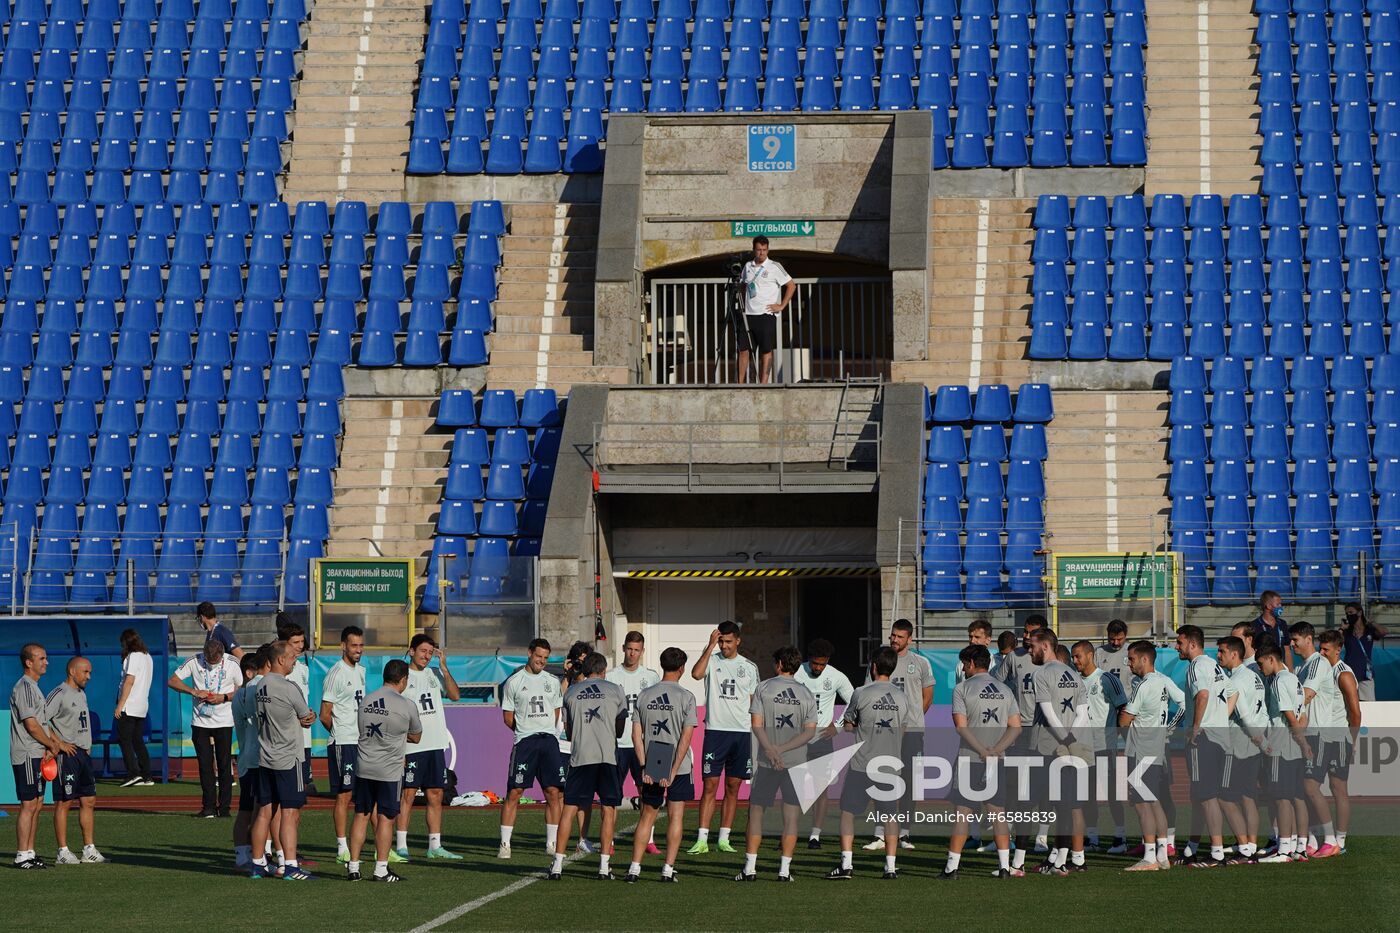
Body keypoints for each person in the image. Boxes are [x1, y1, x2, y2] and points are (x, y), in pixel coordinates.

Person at [735, 646, 817, 883]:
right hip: (795, 762)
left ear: (780, 663)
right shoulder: (806, 693)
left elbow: (756, 725)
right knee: (791, 817)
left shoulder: (764, 688)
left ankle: (750, 868)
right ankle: (784, 871)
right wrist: (783, 749)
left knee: (756, 813)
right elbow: (809, 733)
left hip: (767, 761)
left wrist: (772, 750)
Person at [939, 644, 1020, 880]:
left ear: (972, 664)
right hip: (997, 759)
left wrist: (981, 750)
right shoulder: (1005, 690)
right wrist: (995, 750)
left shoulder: (962, 688)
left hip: (970, 758)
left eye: (965, 664)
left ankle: (951, 867)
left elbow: (960, 727)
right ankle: (1005, 867)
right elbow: (1015, 727)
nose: (963, 669)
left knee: (962, 814)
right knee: (998, 814)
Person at [826, 646, 906, 881]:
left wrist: (858, 728)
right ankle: (890, 867)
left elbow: (849, 723)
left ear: (873, 666)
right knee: (891, 816)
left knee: (848, 812)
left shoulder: (861, 692)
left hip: (863, 764)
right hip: (890, 764)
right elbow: (903, 728)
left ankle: (847, 864)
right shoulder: (901, 696)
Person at [551, 653, 628, 880]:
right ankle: (604, 867)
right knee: (608, 809)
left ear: (584, 669)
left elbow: (568, 730)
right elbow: (621, 728)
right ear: (603, 670)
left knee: (569, 809)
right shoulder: (615, 690)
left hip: (581, 757)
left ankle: (557, 865)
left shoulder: (571, 692)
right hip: (607, 757)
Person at [626, 647, 697, 883]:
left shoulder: (645, 695)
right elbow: (686, 739)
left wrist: (645, 766)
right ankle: (667, 869)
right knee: (676, 816)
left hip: (652, 763)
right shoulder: (687, 697)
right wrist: (674, 770)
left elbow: (636, 735)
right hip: (679, 765)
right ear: (681, 668)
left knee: (647, 816)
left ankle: (634, 868)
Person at [688, 621, 760, 855]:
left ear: (738, 641)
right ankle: (701, 839)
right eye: (721, 641)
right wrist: (709, 647)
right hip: (715, 732)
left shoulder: (749, 667)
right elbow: (696, 674)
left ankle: (724, 838)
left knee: (733, 786)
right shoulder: (711, 659)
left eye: (728, 641)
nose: (724, 646)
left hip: (741, 734)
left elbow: (754, 702)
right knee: (710, 785)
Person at [348, 660, 422, 884]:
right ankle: (381, 869)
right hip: (389, 770)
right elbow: (417, 736)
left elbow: (362, 730)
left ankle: (353, 867)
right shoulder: (406, 704)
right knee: (386, 817)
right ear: (404, 679)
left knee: (361, 814)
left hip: (364, 765)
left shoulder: (366, 700)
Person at [250, 640, 317, 880]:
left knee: (264, 812)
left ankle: (257, 864)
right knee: (289, 813)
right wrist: (310, 717)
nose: (294, 660)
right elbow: (305, 716)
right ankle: (290, 866)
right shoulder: (289, 688)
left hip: (266, 756)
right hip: (289, 757)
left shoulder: (260, 686)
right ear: (280, 660)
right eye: (291, 657)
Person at [865, 619, 933, 852]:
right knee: (882, 779)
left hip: (912, 732)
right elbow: (869, 693)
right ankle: (879, 833)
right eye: (893, 635)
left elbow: (927, 697)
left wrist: (910, 720)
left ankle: (904, 832)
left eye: (900, 637)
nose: (895, 639)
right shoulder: (879, 661)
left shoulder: (920, 663)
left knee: (909, 782)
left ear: (910, 639)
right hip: (884, 732)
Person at [1176, 624, 1240, 868]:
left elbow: (1202, 695)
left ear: (1192, 644)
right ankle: (1194, 848)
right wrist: (1220, 718)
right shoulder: (1214, 665)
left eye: (1180, 643)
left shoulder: (1196, 666)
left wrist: (1196, 727)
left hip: (1204, 738)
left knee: (1206, 796)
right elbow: (1233, 693)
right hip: (1219, 737)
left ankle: (1216, 853)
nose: (1176, 647)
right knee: (1201, 795)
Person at [396, 633, 462, 860]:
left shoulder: (435, 674)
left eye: (430, 652)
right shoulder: (402, 677)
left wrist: (444, 668)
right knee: (408, 795)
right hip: (413, 746)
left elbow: (455, 695)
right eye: (422, 651)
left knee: (435, 794)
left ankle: (435, 846)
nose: (426, 656)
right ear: (412, 651)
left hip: (435, 745)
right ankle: (402, 845)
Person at [1027, 629, 1087, 876]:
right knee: (1065, 805)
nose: (1029, 650)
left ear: (1044, 646)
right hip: (1071, 747)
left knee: (1041, 802)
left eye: (1032, 646)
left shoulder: (1041, 673)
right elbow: (1083, 713)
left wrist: (1063, 739)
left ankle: (1021, 861)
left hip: (1047, 747)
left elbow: (1048, 712)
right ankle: (1060, 860)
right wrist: (1071, 740)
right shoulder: (1074, 674)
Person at [11, 644, 76, 869]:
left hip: (38, 752)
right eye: (42, 658)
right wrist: (51, 744)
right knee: (28, 804)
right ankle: (21, 855)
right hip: (28, 753)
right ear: (29, 662)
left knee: (37, 804)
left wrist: (54, 744)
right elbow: (32, 726)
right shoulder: (25, 688)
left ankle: (30, 852)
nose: (46, 662)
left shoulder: (35, 687)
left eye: (46, 658)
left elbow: (43, 723)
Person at [499, 638, 565, 859]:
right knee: (515, 792)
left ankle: (551, 843)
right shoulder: (514, 681)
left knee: (553, 792)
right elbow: (508, 718)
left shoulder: (553, 681)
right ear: (529, 653)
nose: (542, 661)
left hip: (549, 741)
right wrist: (527, 729)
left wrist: (544, 728)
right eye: (539, 656)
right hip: (525, 742)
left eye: (546, 658)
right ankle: (505, 844)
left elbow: (556, 711)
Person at [168, 638, 243, 818]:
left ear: (221, 655)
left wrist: (223, 697)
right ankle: (208, 807)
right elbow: (172, 681)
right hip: (200, 722)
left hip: (224, 721)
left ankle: (224, 808)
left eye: (215, 661)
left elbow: (242, 689)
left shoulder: (233, 663)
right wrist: (193, 692)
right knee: (204, 765)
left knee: (224, 765)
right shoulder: (194, 660)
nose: (210, 664)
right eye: (208, 661)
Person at [997, 614, 1047, 870]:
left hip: (1044, 731)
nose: (1027, 636)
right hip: (1018, 730)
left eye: (1032, 631)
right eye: (1025, 631)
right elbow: (996, 683)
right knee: (1016, 790)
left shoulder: (1051, 657)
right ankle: (1019, 842)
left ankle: (1043, 838)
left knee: (1046, 789)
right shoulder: (1013, 657)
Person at [793, 638, 853, 848]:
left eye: (822, 664)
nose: (818, 667)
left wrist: (836, 726)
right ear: (809, 659)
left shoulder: (836, 676)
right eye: (815, 663)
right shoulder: (797, 673)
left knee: (820, 788)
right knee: (793, 787)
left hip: (821, 740)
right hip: (797, 740)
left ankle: (815, 835)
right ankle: (790, 832)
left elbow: (854, 700)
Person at [1119, 640, 1174, 872]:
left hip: (1140, 750)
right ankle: (1162, 855)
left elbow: (1124, 720)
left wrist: (1125, 724)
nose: (1128, 663)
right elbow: (1181, 703)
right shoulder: (1163, 681)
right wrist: (1169, 727)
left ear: (1144, 659)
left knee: (1142, 804)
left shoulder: (1144, 685)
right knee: (1154, 801)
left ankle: (1149, 856)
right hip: (1156, 749)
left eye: (1131, 658)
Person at [45, 657, 105, 865]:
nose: (89, 676)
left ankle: (89, 849)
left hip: (83, 755)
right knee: (64, 802)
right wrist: (59, 744)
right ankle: (62, 851)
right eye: (85, 672)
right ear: (72, 671)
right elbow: (41, 719)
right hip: (67, 756)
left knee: (88, 800)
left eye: (90, 672)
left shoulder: (81, 693)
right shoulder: (59, 693)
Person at [1255, 642, 1311, 864]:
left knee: (1281, 798)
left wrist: (1303, 741)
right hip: (1294, 747)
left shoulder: (1278, 681)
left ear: (1271, 659)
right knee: (1297, 797)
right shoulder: (1294, 679)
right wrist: (1301, 740)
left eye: (1261, 664)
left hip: (1281, 746)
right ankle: (1301, 848)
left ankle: (1284, 850)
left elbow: (1289, 715)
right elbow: (1303, 714)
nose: (1260, 669)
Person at [1070, 639, 1128, 853]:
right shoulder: (1074, 681)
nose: (1075, 661)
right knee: (1086, 794)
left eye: (1078, 656)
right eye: (1073, 657)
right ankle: (1092, 838)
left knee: (1112, 793)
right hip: (1083, 748)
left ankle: (1121, 837)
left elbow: (1123, 708)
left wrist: (1124, 738)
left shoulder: (1107, 679)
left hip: (1104, 745)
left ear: (1090, 655)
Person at [606, 630, 660, 855]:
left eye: (637, 650)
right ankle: (608, 841)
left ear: (642, 651)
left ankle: (649, 839)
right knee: (611, 795)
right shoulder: (611, 676)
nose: (632, 653)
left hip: (643, 746)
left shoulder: (652, 677)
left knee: (647, 793)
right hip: (617, 745)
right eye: (629, 649)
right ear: (623, 649)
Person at [1291, 621, 1342, 858]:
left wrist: (1294, 720)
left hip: (1318, 734)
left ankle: (1331, 840)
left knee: (1310, 787)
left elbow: (1307, 695)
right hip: (1306, 734)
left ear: (1308, 639)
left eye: (1295, 640)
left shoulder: (1317, 663)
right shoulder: (1302, 667)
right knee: (1302, 787)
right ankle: (1311, 839)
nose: (1292, 644)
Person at [1216, 635, 1266, 863]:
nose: (1218, 656)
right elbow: (1261, 711)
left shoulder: (1234, 681)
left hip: (1238, 745)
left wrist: (1259, 739)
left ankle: (1244, 845)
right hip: (1252, 745)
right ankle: (1251, 845)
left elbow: (1243, 714)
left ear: (1234, 654)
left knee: (1224, 797)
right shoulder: (1254, 677)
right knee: (1248, 796)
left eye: (1222, 652)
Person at [321, 625, 367, 864]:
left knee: (365, 794)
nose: (358, 650)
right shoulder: (336, 673)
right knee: (344, 795)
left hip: (361, 742)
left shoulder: (361, 671)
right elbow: (324, 714)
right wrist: (341, 733)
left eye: (361, 645)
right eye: (354, 645)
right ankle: (341, 847)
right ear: (343, 646)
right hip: (343, 743)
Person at [1319, 629, 1362, 854]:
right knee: (1310, 786)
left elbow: (1355, 712)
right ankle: (1319, 835)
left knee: (1338, 788)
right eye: (1321, 648)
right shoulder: (1322, 670)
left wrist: (1351, 742)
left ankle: (1340, 840)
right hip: (1322, 737)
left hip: (1338, 738)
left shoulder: (1343, 674)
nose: (1322, 652)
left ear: (1339, 649)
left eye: (1326, 649)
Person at [735, 235, 795, 384]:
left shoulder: (774, 266)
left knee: (766, 350)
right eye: (758, 250)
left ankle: (764, 383)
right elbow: (743, 285)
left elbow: (791, 285)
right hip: (748, 314)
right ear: (753, 250)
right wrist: (742, 304)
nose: (761, 253)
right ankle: (740, 384)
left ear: (768, 250)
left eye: (764, 250)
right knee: (743, 350)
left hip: (766, 314)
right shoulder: (747, 266)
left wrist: (781, 305)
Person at [232, 649, 269, 871]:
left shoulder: (239, 695)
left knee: (245, 809)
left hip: (246, 756)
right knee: (260, 811)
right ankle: (259, 857)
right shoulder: (260, 688)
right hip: (259, 758)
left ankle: (242, 856)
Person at [276, 616, 315, 795]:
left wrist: (309, 714)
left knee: (301, 790)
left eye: (301, 641)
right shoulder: (278, 670)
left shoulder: (302, 667)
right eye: (295, 642)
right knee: (289, 792)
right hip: (286, 739)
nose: (300, 645)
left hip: (304, 736)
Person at [114, 628, 155, 787]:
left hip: (129, 705)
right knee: (137, 740)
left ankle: (133, 773)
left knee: (124, 739)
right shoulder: (147, 656)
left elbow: (129, 681)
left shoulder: (133, 656)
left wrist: (120, 705)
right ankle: (147, 775)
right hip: (142, 706)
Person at [1342, 603, 1387, 701]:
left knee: (1369, 705)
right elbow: (1334, 641)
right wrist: (1342, 628)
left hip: (1366, 674)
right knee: (1348, 704)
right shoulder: (1347, 631)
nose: (1349, 615)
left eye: (1351, 612)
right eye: (1347, 613)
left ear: (1359, 613)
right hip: (1349, 674)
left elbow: (1384, 632)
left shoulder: (1369, 630)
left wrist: (1372, 623)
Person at [1251, 590, 1292, 668]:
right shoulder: (1254, 625)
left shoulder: (1282, 624)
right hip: (1263, 670)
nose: (1281, 607)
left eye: (1281, 604)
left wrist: (1290, 671)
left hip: (1280, 668)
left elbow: (1287, 650)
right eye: (1278, 604)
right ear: (1268, 606)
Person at [1094, 619, 1131, 686]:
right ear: (1108, 636)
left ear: (1125, 636)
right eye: (1112, 639)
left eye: (1119, 639)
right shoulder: (1098, 653)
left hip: (1127, 696)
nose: (1116, 643)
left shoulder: (1132, 651)